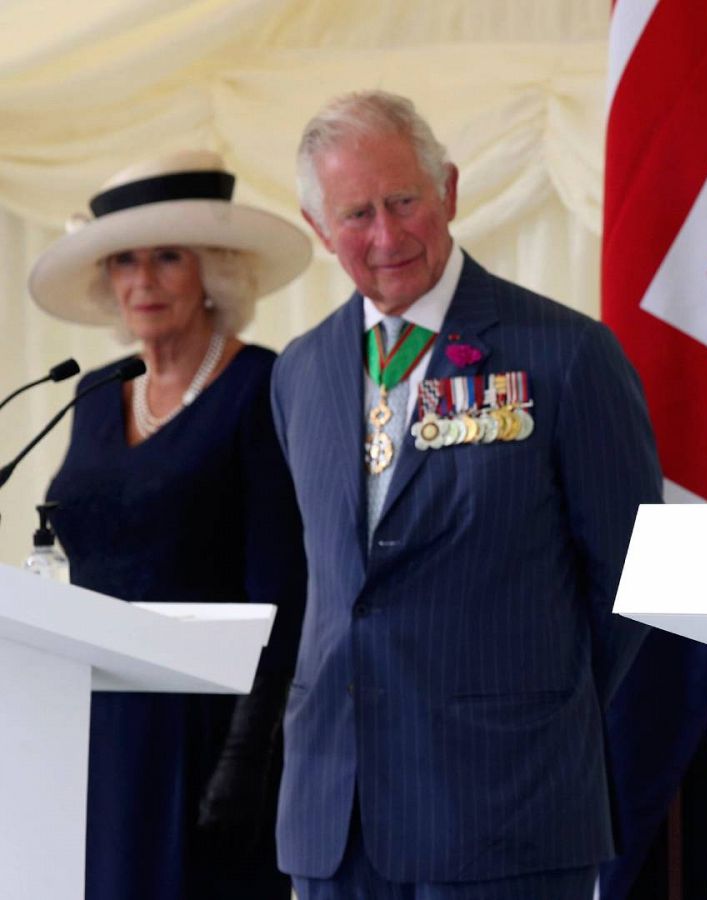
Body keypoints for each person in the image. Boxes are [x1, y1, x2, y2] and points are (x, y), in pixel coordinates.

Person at [271, 90, 660, 899]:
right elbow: (331, 580)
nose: (385, 237)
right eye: (355, 215)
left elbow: (628, 582)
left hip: (504, 808)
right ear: (318, 230)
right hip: (333, 815)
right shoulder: (299, 371)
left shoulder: (565, 356)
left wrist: (520, 707)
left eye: (404, 201)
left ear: (448, 188)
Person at [29, 149, 311, 899]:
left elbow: (284, 585)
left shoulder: (260, 386)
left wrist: (251, 751)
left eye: (166, 258)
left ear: (214, 271)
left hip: (209, 736)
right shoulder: (93, 394)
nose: (142, 281)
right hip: (92, 721)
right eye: (123, 261)